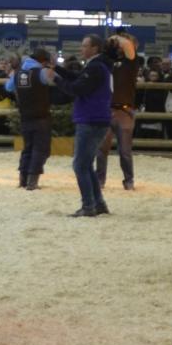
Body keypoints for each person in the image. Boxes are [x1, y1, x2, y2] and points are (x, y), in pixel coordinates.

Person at [44, 34, 114, 217]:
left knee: (80, 165)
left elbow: (77, 89)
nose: (81, 49)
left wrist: (56, 79)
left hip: (90, 119)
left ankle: (88, 205)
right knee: (86, 164)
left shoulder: (96, 67)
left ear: (95, 48)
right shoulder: (97, 66)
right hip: (98, 118)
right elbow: (79, 78)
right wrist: (58, 69)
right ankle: (98, 203)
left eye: (84, 46)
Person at [96, 33, 140, 190]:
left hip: (123, 110)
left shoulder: (131, 64)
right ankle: (100, 180)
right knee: (102, 149)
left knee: (125, 151)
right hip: (107, 109)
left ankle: (128, 180)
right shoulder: (107, 62)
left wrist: (115, 37)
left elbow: (128, 48)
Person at [5, 49, 55, 190]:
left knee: (28, 148)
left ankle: (23, 179)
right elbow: (55, 79)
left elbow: (8, 87)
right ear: (43, 61)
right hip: (41, 116)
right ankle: (33, 181)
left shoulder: (17, 73)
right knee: (41, 149)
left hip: (25, 116)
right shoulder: (42, 73)